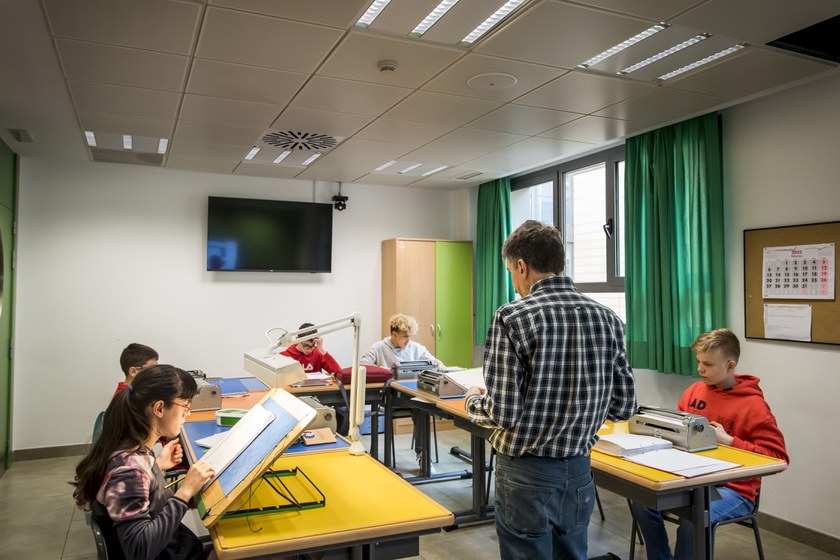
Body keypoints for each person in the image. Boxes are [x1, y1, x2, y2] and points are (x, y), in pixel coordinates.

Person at [464, 219, 637, 560]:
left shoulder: (512, 317)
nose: (515, 284)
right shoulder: (608, 318)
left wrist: (472, 401)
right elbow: (624, 406)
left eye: (512, 273)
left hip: (526, 472)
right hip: (579, 470)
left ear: (522, 266)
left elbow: (505, 413)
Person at [629, 328, 789, 560]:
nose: (700, 369)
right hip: (690, 479)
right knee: (642, 501)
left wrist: (730, 441)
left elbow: (778, 458)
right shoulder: (695, 391)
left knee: (695, 517)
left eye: (708, 364)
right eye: (698, 362)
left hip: (735, 489)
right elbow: (678, 432)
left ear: (730, 365)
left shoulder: (753, 406)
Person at [73, 365, 216, 560]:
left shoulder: (127, 449)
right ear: (158, 408)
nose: (188, 414)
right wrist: (185, 492)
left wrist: (156, 466)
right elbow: (139, 550)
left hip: (177, 547)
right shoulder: (129, 470)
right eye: (185, 406)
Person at [361, 313, 444, 462]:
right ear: (394, 334)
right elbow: (363, 365)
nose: (408, 340)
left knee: (422, 407)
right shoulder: (379, 347)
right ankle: (381, 459)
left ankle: (423, 455)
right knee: (419, 406)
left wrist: (438, 364)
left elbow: (436, 363)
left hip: (413, 396)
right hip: (390, 397)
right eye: (405, 336)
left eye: (410, 336)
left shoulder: (416, 348)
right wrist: (384, 371)